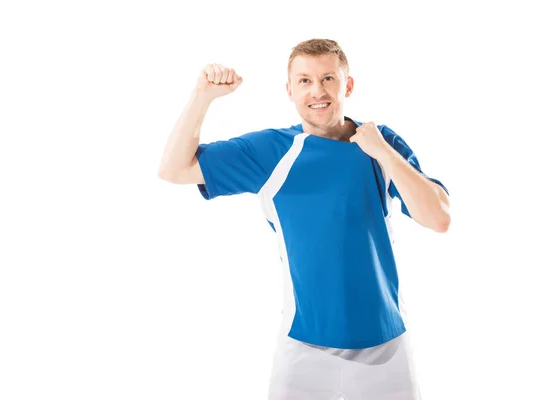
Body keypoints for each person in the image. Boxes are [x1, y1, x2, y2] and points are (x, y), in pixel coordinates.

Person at [158, 38, 450, 400]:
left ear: (348, 85)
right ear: (290, 91)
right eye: (305, 81)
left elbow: (438, 218)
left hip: (386, 348)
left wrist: (383, 152)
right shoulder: (271, 152)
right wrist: (202, 96)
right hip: (303, 350)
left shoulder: (382, 143)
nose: (318, 91)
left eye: (328, 79)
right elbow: (174, 169)